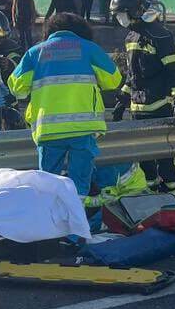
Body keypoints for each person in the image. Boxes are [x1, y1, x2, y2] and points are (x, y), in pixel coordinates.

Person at [8, 13, 122, 204]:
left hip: (48, 130)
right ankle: (75, 230)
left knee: (48, 186)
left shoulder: (35, 53)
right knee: (80, 187)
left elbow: (16, 86)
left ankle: (50, 227)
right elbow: (113, 80)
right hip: (83, 130)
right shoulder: (89, 49)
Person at [109, 0, 175, 198]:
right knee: (145, 165)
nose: (120, 19)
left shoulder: (160, 36)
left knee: (167, 163)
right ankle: (154, 206)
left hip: (160, 109)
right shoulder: (131, 37)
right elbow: (133, 75)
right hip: (138, 111)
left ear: (135, 11)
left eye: (122, 14)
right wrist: (123, 99)